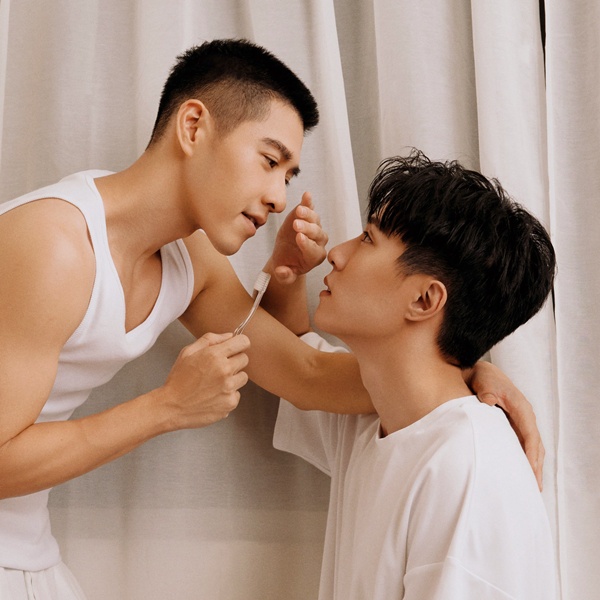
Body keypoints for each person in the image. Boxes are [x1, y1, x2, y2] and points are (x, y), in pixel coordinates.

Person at [0, 39, 540, 598]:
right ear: (193, 127)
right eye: (269, 161)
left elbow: (306, 374)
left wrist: (462, 368)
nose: (280, 197)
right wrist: (166, 407)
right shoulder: (54, 247)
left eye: (288, 173)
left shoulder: (190, 261)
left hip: (28, 552)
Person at [273, 150, 557, 599]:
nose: (336, 254)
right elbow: (290, 363)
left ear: (424, 300)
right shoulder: (377, 415)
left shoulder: (467, 472)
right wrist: (286, 274)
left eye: (368, 239)